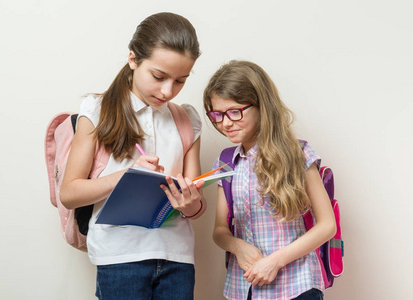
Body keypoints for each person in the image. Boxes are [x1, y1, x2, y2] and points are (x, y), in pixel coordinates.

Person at [60, 12, 205, 300]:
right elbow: (69, 193)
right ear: (133, 59)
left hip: (177, 256)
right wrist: (124, 177)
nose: (168, 91)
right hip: (118, 256)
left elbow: (196, 208)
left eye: (180, 81)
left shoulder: (187, 119)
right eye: (159, 77)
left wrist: (189, 202)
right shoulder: (97, 111)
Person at [203, 60, 337, 300]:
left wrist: (275, 261)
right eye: (217, 114)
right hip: (245, 289)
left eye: (234, 111)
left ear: (261, 106)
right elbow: (219, 230)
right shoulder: (226, 163)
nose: (225, 123)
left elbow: (327, 225)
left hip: (297, 286)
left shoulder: (298, 155)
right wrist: (237, 246)